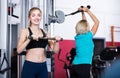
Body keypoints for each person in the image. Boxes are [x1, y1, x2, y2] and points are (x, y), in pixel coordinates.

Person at [17, 7, 62, 78]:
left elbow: (55, 51)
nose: (36, 17)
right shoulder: (25, 31)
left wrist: (56, 41)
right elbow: (19, 50)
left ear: (41, 17)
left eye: (38, 15)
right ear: (29, 17)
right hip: (30, 66)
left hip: (42, 66)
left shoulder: (46, 33)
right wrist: (29, 39)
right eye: (33, 15)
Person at [71, 6, 99, 78]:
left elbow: (84, 22)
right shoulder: (89, 35)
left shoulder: (77, 36)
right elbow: (97, 22)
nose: (89, 26)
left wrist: (82, 12)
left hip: (74, 66)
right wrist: (88, 11)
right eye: (88, 25)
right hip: (84, 67)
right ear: (86, 27)